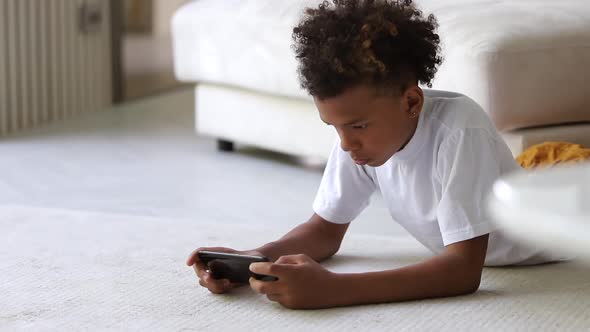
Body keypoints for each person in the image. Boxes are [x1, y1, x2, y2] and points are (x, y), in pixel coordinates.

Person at [186, 0, 565, 310]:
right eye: (334, 127)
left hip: (564, 222)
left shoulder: (459, 130)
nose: (346, 143)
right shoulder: (360, 146)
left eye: (358, 126)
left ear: (412, 101)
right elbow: (324, 232)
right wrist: (253, 258)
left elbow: (462, 271)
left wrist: (334, 290)